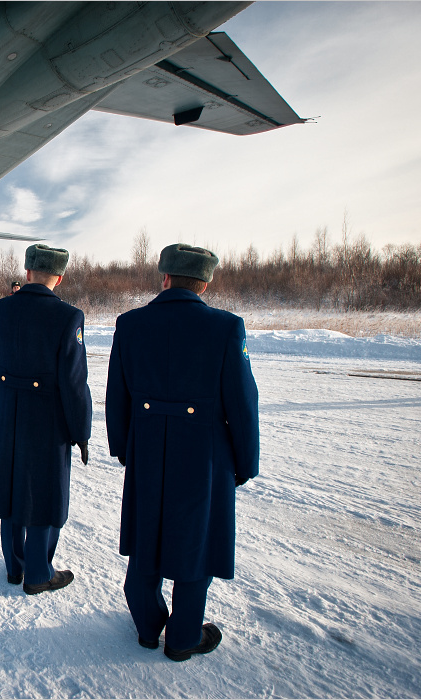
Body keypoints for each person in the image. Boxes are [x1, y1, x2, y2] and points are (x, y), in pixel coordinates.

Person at [106, 243, 260, 662]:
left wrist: (123, 449)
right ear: (205, 283)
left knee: (145, 538)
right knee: (196, 544)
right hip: (205, 457)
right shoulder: (227, 327)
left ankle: (147, 626)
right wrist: (246, 463)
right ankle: (183, 637)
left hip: (147, 451)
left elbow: (116, 397)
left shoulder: (130, 324)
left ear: (165, 278)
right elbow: (243, 404)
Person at [0, 244, 92, 595]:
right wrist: (81, 430)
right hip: (48, 419)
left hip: (9, 413)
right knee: (44, 494)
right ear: (58, 277)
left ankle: (14, 566)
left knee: (12, 489)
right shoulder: (68, 317)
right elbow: (74, 384)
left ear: (27, 273)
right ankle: (39, 572)